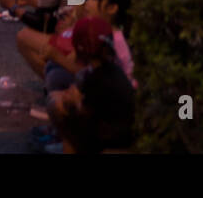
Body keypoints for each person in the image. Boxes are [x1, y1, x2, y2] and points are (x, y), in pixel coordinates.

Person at [44, 16, 135, 154]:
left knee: (58, 105)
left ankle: (71, 147)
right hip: (122, 132)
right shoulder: (110, 68)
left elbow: (85, 113)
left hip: (111, 138)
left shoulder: (95, 79)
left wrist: (71, 98)